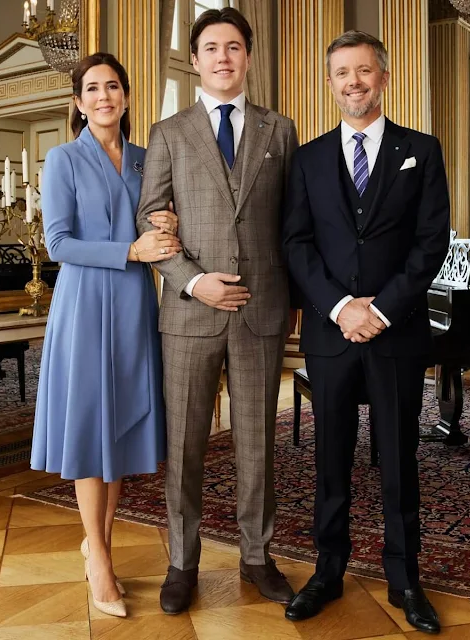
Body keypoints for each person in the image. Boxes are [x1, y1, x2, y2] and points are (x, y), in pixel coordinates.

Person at [282, 31, 449, 635]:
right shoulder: (307, 158)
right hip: (331, 333)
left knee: (400, 458)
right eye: (341, 73)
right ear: (330, 84)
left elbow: (431, 241)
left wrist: (381, 310)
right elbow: (296, 245)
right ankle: (328, 570)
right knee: (330, 460)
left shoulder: (421, 151)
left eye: (363, 71)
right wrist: (339, 307)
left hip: (397, 331)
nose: (353, 82)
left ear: (383, 77)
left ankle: (406, 578)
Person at [136, 8, 299, 615]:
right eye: (211, 47)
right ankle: (183, 562)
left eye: (234, 46)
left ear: (247, 57)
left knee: (258, 443)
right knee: (186, 445)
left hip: (260, 311)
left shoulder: (280, 131)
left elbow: (291, 225)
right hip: (190, 314)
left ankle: (257, 558)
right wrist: (195, 281)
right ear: (197, 59)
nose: (223, 57)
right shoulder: (169, 133)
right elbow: (148, 221)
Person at [31, 52, 181, 618]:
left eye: (112, 86)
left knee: (118, 430)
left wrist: (168, 225)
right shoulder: (63, 158)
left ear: (126, 95)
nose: (103, 97)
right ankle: (98, 554)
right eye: (91, 88)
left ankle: (100, 544)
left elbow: (161, 225)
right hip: (85, 306)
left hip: (136, 306)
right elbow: (59, 244)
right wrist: (130, 250)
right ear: (78, 101)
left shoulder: (147, 159)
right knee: (92, 428)